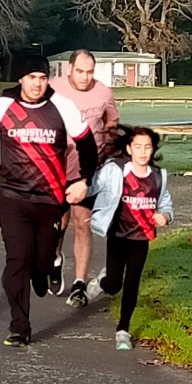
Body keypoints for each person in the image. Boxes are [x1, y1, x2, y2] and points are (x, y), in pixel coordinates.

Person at [0, 54, 98, 348]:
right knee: (17, 259)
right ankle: (19, 326)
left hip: (50, 197)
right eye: (31, 78)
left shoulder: (62, 106)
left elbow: (87, 145)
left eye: (42, 78)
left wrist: (83, 181)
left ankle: (48, 265)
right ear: (21, 79)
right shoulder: (3, 105)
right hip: (11, 194)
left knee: (40, 261)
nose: (37, 84)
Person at [85, 126, 173, 350]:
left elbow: (165, 204)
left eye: (147, 147)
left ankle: (123, 329)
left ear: (153, 149)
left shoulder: (158, 176)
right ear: (129, 149)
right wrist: (79, 187)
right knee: (114, 284)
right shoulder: (115, 170)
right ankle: (102, 282)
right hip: (118, 234)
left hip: (141, 237)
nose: (143, 152)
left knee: (132, 281)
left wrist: (165, 216)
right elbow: (92, 187)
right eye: (138, 147)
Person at [49, 49, 119, 307]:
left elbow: (112, 122)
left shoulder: (103, 93)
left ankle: (79, 283)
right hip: (57, 167)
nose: (85, 77)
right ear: (69, 69)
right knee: (58, 223)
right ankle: (55, 258)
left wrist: (109, 149)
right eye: (80, 71)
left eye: (89, 72)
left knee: (82, 223)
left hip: (88, 169)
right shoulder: (53, 88)